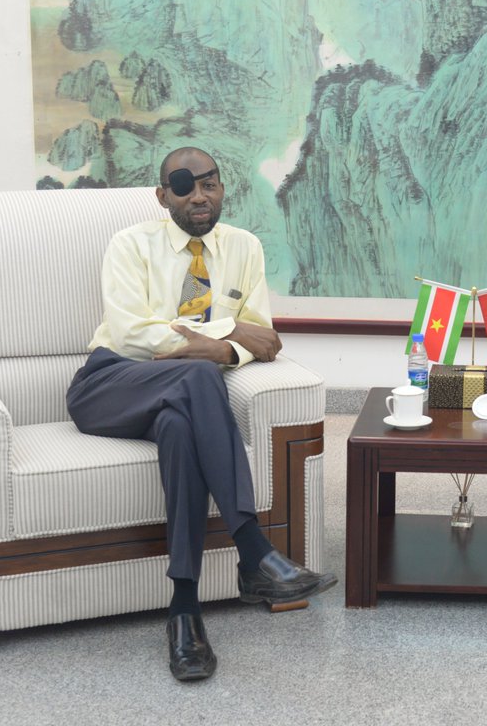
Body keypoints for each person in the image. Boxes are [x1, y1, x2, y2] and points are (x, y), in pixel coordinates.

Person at [66, 147, 336, 682]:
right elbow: (133, 336)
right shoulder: (131, 245)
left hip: (176, 399)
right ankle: (253, 549)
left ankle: (184, 611)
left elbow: (262, 339)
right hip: (110, 384)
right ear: (162, 195)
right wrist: (227, 332)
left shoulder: (243, 247)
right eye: (184, 186)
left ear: (221, 188)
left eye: (209, 184)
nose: (199, 196)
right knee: (198, 374)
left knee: (180, 426)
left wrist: (226, 347)